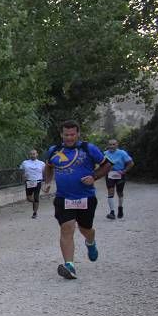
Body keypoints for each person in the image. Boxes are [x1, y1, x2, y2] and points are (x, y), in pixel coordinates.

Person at [42, 119, 111, 280]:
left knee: (86, 229)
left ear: (78, 134)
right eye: (66, 135)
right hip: (63, 198)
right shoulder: (54, 150)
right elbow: (49, 166)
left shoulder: (88, 148)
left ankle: (90, 242)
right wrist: (47, 182)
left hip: (86, 197)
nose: (69, 138)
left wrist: (94, 176)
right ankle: (69, 266)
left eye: (72, 134)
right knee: (67, 228)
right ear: (61, 134)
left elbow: (107, 165)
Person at [103, 138, 134, 219]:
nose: (112, 146)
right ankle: (112, 212)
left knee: (119, 192)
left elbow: (131, 163)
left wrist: (124, 171)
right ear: (107, 145)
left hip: (120, 174)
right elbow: (101, 165)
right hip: (110, 174)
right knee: (110, 191)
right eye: (110, 144)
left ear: (117, 145)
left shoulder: (122, 153)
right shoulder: (105, 153)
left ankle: (120, 208)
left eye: (114, 144)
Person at [19, 148, 46, 218]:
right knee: (28, 198)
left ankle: (35, 213)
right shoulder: (25, 162)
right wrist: (23, 177)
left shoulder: (41, 163)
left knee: (36, 196)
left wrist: (45, 181)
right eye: (31, 154)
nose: (32, 155)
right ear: (29, 155)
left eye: (34, 154)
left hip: (38, 181)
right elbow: (21, 170)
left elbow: (44, 172)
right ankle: (35, 202)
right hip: (29, 181)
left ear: (37, 154)